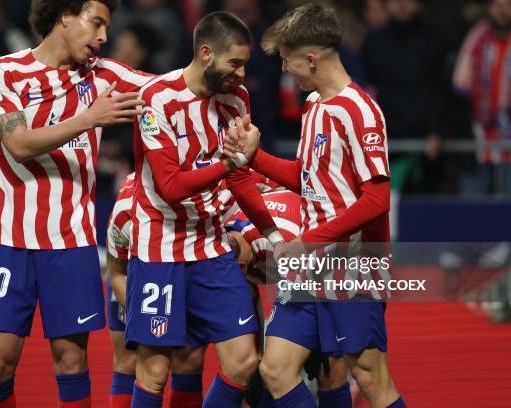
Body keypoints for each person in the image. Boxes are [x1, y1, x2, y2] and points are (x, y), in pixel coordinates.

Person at [0, 1, 153, 406]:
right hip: (10, 240)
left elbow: (173, 87)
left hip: (71, 243)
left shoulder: (104, 75)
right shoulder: (1, 71)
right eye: (97, 23)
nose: (104, 36)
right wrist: (89, 119)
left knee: (71, 363)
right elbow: (18, 145)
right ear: (65, 15)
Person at [225, 4, 405, 408]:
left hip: (353, 269)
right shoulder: (313, 108)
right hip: (311, 271)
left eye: (287, 61)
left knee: (370, 379)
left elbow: (377, 200)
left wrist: (307, 241)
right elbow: (308, 179)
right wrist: (255, 156)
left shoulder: (359, 111)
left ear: (311, 59)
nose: (285, 71)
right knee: (275, 370)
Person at [127, 11, 285, 408]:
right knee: (155, 371)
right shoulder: (156, 99)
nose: (242, 74)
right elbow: (170, 186)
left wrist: (273, 234)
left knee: (244, 361)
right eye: (234, 63)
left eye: (245, 64)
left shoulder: (237, 100)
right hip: (159, 247)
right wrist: (230, 163)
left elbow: (239, 179)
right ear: (205, 53)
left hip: (212, 245)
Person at [226, 188, 353, 408]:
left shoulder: (272, 240)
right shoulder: (224, 245)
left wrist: (321, 342)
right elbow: (248, 301)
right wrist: (254, 357)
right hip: (305, 262)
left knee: (331, 372)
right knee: (271, 370)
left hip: (334, 261)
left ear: (242, 265)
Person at [105, 173, 206, 408]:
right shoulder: (126, 212)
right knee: (129, 359)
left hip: (186, 260)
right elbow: (116, 270)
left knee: (188, 358)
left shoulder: (206, 199)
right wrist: (139, 320)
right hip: (133, 266)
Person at [453, 0, 511, 196]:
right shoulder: (476, 39)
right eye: (497, 5)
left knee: (510, 216)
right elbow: (460, 83)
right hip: (477, 141)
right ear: (489, 8)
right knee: (472, 214)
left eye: (509, 5)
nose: (502, 11)